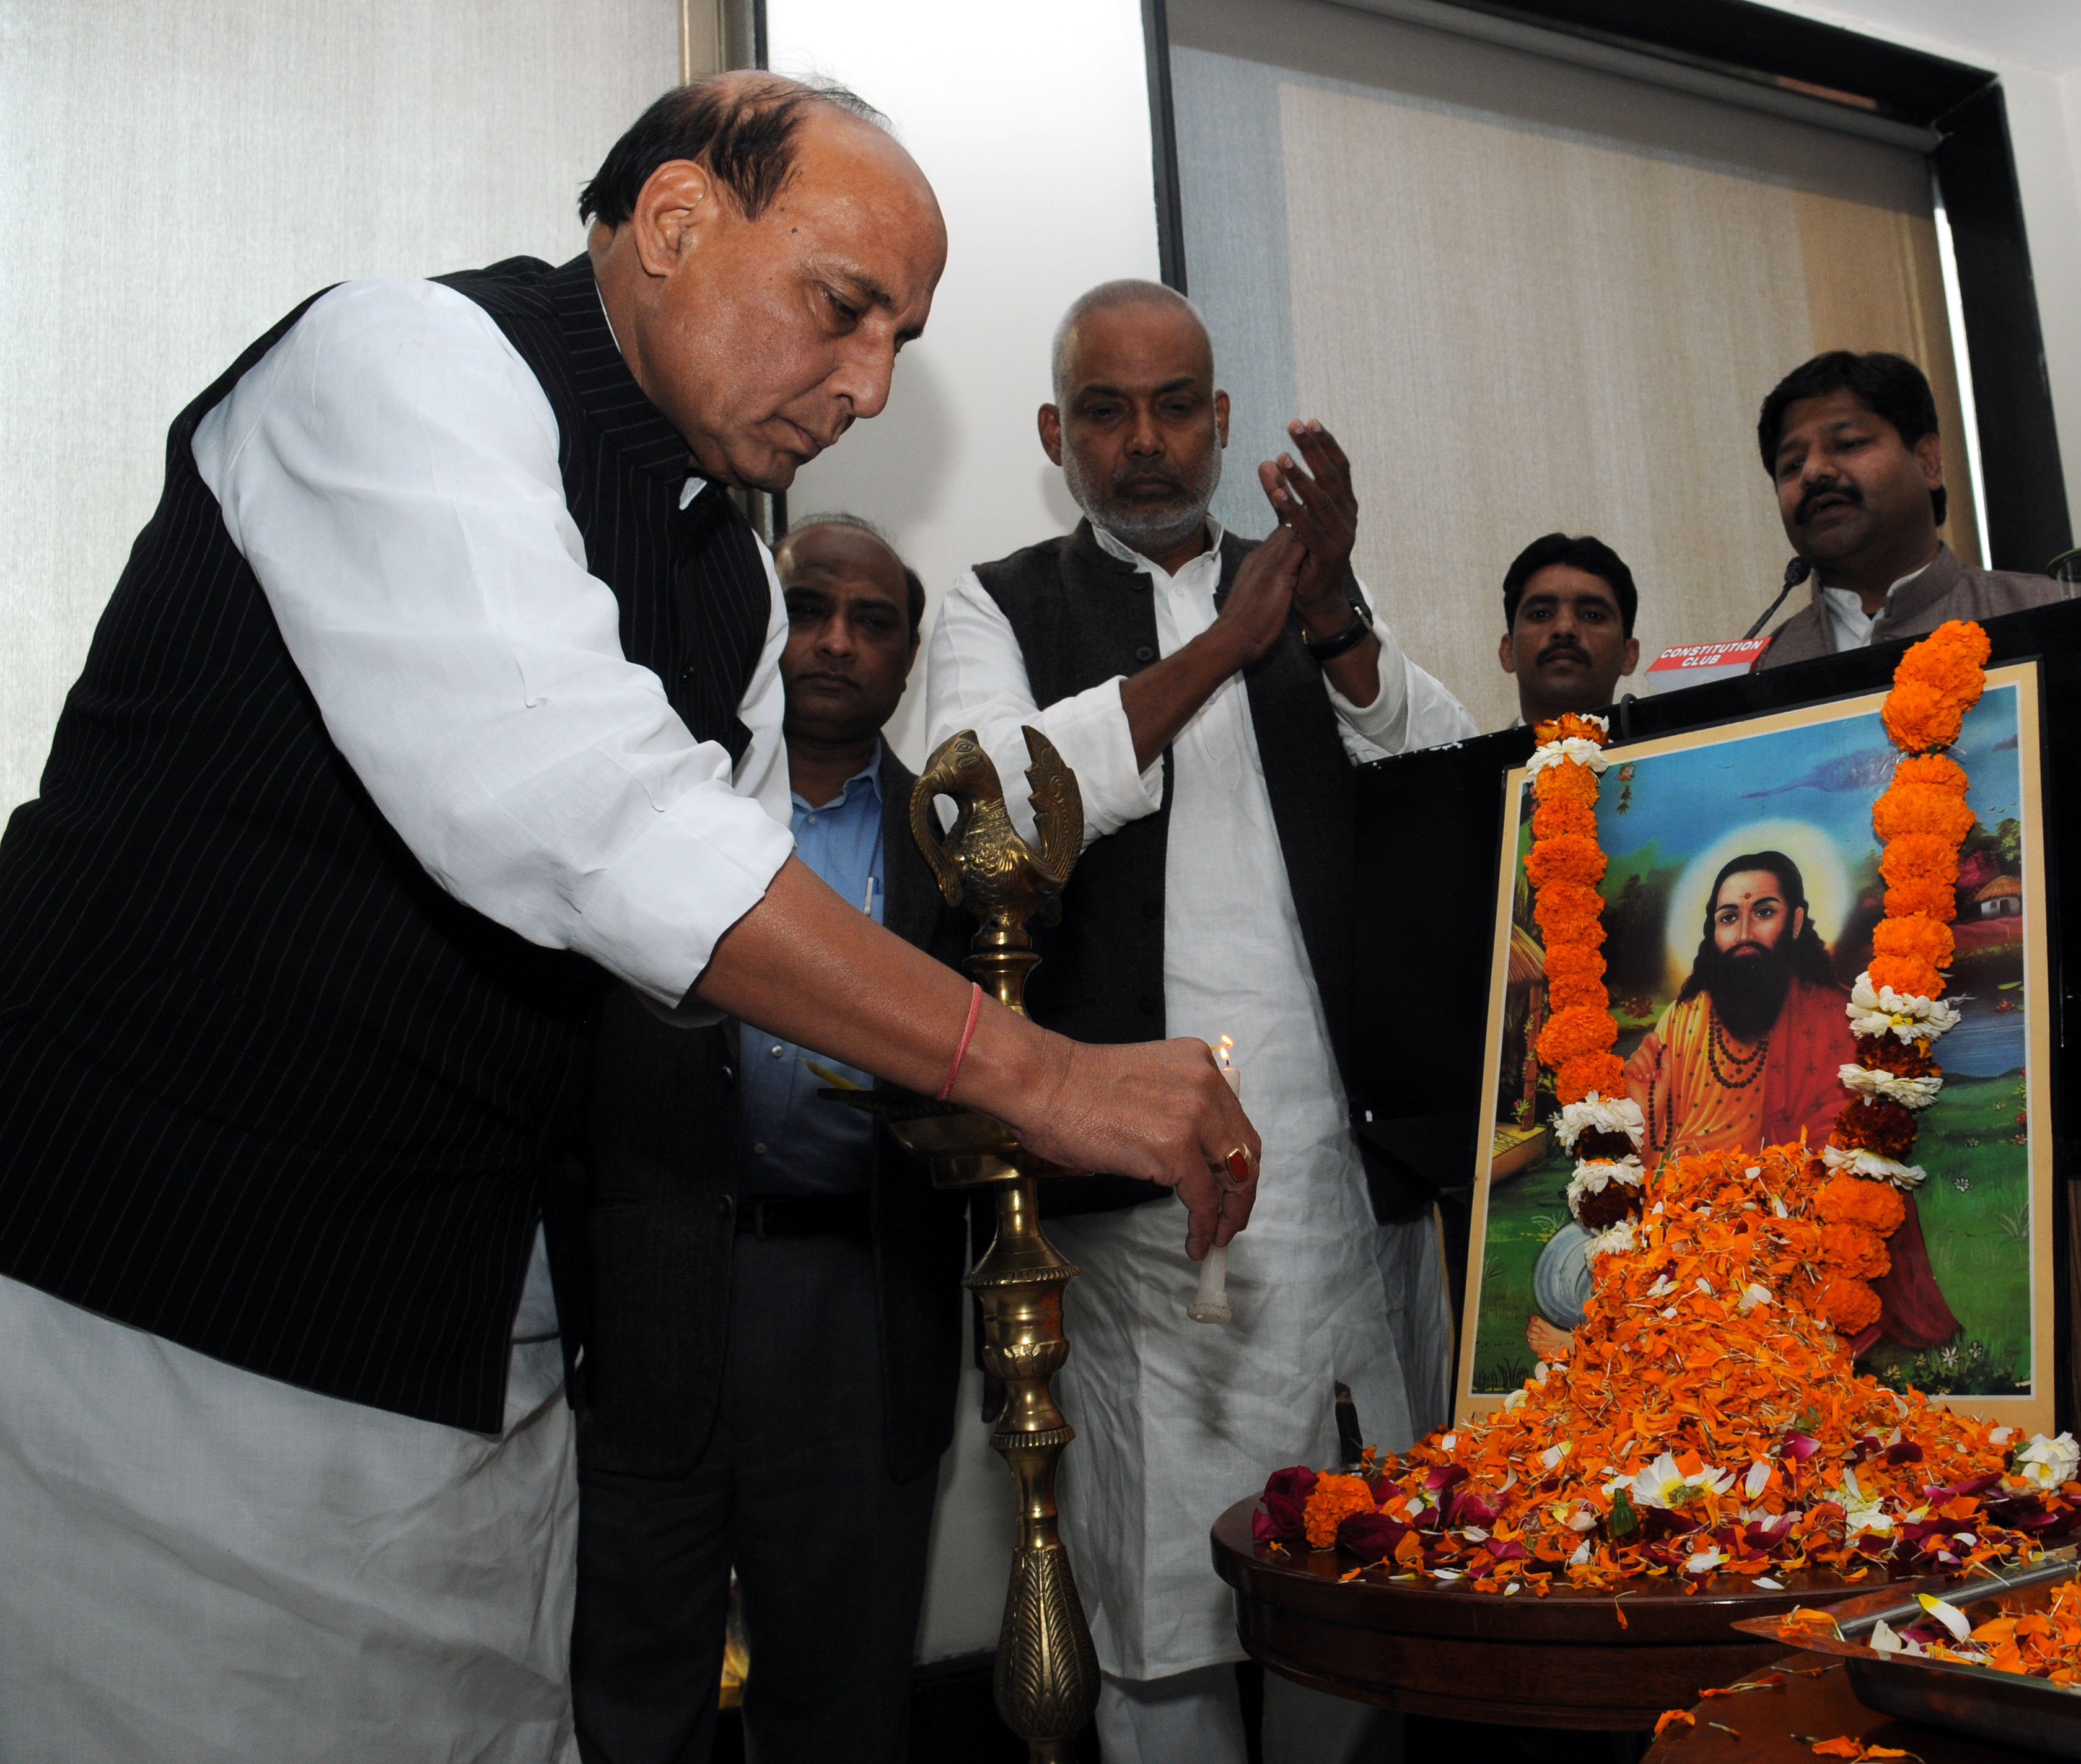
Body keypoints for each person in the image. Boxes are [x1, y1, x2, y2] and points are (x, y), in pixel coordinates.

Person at [0, 81, 1258, 1762]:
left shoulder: (722, 577)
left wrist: (978, 1102)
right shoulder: (401, 365)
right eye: (841, 310)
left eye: (898, 341)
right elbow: (585, 818)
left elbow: (733, 946)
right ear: (672, 223)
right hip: (162, 1311)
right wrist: (1036, 1072)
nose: (868, 388)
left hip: (470, 1348)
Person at [927, 279, 1475, 1764]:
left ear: (1223, 423)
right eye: (1105, 409)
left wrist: (1336, 618)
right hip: (1128, 1202)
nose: (1146, 438)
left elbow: (1440, 783)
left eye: (1176, 404)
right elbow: (988, 807)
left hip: (1329, 1180)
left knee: (1348, 1567)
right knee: (1155, 1589)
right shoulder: (1000, 598)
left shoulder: (1302, 577)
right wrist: (1223, 647)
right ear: (1055, 433)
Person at [571, 514, 964, 1764]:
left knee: (842, 1699)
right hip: (659, 1296)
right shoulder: (649, 803)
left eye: (872, 620)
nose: (833, 641)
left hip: (858, 1298)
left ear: (908, 660)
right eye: (807, 608)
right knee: (636, 1688)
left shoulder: (958, 852)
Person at [1754, 351, 2069, 668]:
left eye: (1848, 444)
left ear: (1928, 462)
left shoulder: (2054, 614)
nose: (1813, 471)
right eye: (1793, 464)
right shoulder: (1762, 671)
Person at [1624, 852, 1852, 1164]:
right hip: (1682, 1201)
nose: (1744, 934)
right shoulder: (1683, 1018)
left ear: (1796, 922)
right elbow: (1655, 1153)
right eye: (1729, 918)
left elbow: (1840, 1144)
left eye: (1764, 912)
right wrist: (1648, 1105)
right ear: (1714, 930)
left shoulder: (1836, 1017)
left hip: (1782, 1203)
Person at [1496, 531, 1641, 727]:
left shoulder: (1671, 756)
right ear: (1507, 652)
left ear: (1629, 655)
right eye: (1541, 614)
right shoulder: (1471, 759)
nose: (1564, 628)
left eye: (1592, 615)